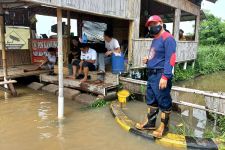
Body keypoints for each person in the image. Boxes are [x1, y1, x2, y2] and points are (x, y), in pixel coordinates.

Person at [135, 15, 176, 138]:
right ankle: (150, 123)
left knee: (164, 100)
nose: (152, 27)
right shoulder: (155, 39)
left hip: (160, 74)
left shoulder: (168, 38)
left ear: (161, 23)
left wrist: (165, 76)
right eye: (150, 25)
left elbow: (171, 58)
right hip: (152, 74)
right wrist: (149, 60)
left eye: (154, 24)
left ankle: (164, 127)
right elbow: (158, 56)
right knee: (151, 99)